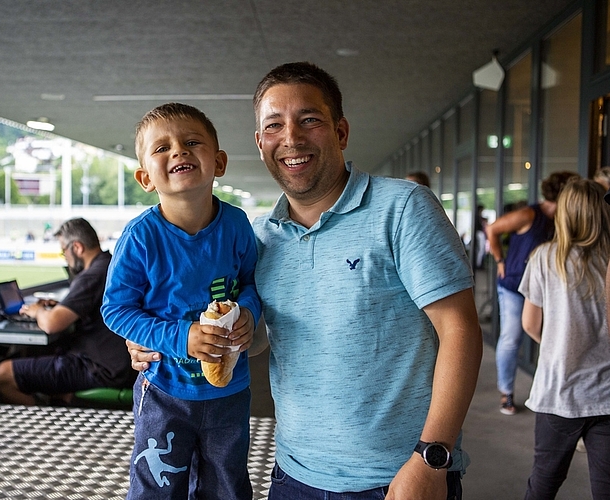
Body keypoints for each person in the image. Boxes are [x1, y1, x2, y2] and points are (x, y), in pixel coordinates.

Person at [130, 62, 483, 500]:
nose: (291, 138)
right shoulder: (257, 236)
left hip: (397, 477)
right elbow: (254, 339)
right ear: (260, 143)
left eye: (309, 120)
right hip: (294, 477)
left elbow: (461, 330)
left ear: (341, 131)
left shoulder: (403, 207)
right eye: (274, 126)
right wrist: (162, 339)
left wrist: (432, 455)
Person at [100, 103, 261, 499]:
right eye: (162, 148)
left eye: (192, 142)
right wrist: (180, 337)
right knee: (158, 487)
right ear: (145, 178)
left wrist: (249, 316)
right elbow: (115, 309)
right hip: (164, 390)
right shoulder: (140, 237)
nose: (179, 151)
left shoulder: (237, 225)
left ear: (219, 161)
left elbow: (253, 285)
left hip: (230, 390)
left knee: (228, 486)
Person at [519, 179, 610, 499]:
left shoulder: (545, 257)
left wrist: (558, 344)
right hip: (606, 395)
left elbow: (530, 323)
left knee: (543, 483)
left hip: (559, 392)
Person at [0, 217, 134, 406]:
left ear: (76, 247)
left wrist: (37, 311)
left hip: (101, 368)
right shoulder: (109, 265)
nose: (65, 257)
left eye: (63, 251)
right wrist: (61, 304)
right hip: (117, 364)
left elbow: (52, 324)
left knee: (4, 374)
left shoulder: (92, 275)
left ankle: (40, 428)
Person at [485, 171, 578, 415]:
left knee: (549, 337)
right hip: (515, 286)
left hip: (547, 289)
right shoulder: (529, 214)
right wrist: (500, 261)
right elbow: (492, 229)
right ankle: (506, 393)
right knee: (512, 338)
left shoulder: (564, 220)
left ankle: (547, 391)